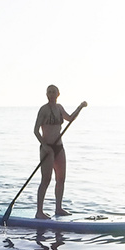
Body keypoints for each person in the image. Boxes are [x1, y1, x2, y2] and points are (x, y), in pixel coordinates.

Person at [33, 85, 87, 219]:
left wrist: (80, 107)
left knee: (61, 179)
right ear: (46, 94)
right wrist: (45, 146)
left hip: (59, 147)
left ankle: (58, 208)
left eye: (53, 92)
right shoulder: (43, 109)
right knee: (46, 179)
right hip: (47, 148)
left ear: (58, 94)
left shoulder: (59, 108)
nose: (51, 94)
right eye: (49, 92)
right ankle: (39, 211)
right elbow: (35, 131)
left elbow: (70, 118)